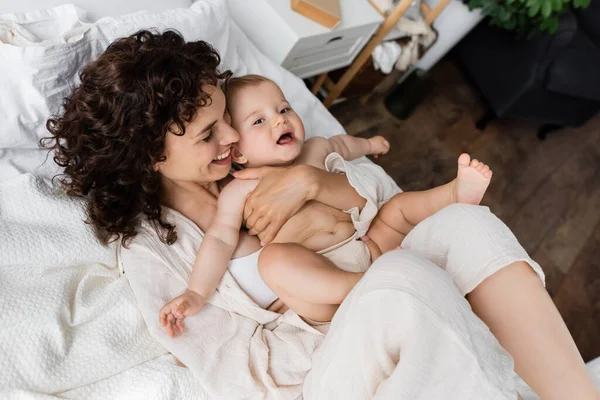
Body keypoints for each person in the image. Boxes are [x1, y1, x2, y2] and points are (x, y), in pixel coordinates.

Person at [44, 30, 599, 400]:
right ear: (149, 156)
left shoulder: (267, 159)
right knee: (401, 280)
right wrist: (335, 309)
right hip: (321, 372)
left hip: (379, 269)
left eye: (228, 121)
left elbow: (377, 209)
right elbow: (237, 377)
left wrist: (310, 180)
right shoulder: (155, 252)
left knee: (466, 225)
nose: (235, 137)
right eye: (210, 133)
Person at [159, 74, 494, 325]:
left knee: (397, 208)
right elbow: (218, 238)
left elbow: (343, 145)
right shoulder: (241, 188)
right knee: (273, 262)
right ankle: (370, 285)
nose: (280, 119)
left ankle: (454, 194)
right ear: (238, 152)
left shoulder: (314, 149)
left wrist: (372, 145)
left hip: (368, 244)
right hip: (325, 286)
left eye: (284, 108)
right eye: (259, 120)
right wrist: (196, 292)